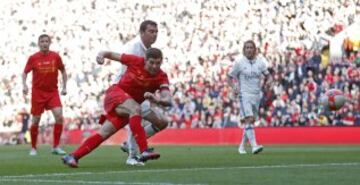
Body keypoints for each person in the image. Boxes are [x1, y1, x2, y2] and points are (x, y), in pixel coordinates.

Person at [62, 48, 172, 168]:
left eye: (158, 63)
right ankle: (144, 150)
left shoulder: (161, 77)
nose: (155, 66)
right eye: (151, 62)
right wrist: (100, 54)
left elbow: (167, 100)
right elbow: (110, 54)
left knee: (104, 133)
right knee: (136, 109)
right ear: (145, 60)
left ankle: (73, 156)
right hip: (116, 94)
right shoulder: (135, 61)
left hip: (128, 107)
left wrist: (157, 100)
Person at [115, 20, 169, 166]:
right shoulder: (134, 48)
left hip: (141, 93)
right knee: (136, 115)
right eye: (151, 31)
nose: (155, 34)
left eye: (156, 31)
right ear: (142, 32)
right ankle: (132, 155)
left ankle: (131, 144)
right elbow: (126, 73)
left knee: (162, 122)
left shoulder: (148, 49)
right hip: (126, 92)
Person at [22, 34, 67, 156]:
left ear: (50, 43)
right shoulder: (33, 58)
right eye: (42, 41)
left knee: (59, 116)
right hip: (38, 93)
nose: (44, 43)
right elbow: (25, 73)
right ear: (38, 43)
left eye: (46, 41)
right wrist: (24, 85)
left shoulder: (56, 56)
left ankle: (56, 146)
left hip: (53, 92)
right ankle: (33, 148)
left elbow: (63, 70)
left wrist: (64, 87)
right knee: (36, 120)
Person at [227, 40, 273, 154]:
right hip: (244, 94)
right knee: (249, 118)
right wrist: (234, 87)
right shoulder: (239, 63)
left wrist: (269, 81)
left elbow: (268, 75)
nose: (249, 49)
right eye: (246, 47)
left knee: (250, 122)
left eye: (251, 47)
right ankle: (254, 146)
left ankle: (242, 147)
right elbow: (229, 76)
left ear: (255, 49)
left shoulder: (260, 63)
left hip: (256, 95)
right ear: (244, 50)